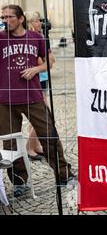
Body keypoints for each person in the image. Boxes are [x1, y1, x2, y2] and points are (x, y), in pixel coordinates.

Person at [0, 4, 76, 197]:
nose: (5, 21)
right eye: (3, 17)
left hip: (32, 96)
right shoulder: (0, 39)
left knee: (49, 134)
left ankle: (63, 174)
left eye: (9, 17)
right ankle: (19, 182)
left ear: (20, 19)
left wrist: (35, 69)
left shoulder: (36, 38)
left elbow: (49, 62)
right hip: (5, 99)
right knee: (10, 144)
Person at [26, 12, 56, 161]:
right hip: (36, 79)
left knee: (41, 113)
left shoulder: (42, 36)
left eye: (40, 20)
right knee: (43, 114)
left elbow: (50, 59)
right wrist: (44, 61)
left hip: (44, 79)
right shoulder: (30, 38)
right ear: (30, 22)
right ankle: (29, 147)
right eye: (37, 20)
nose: (40, 23)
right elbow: (38, 61)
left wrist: (46, 60)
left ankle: (36, 146)